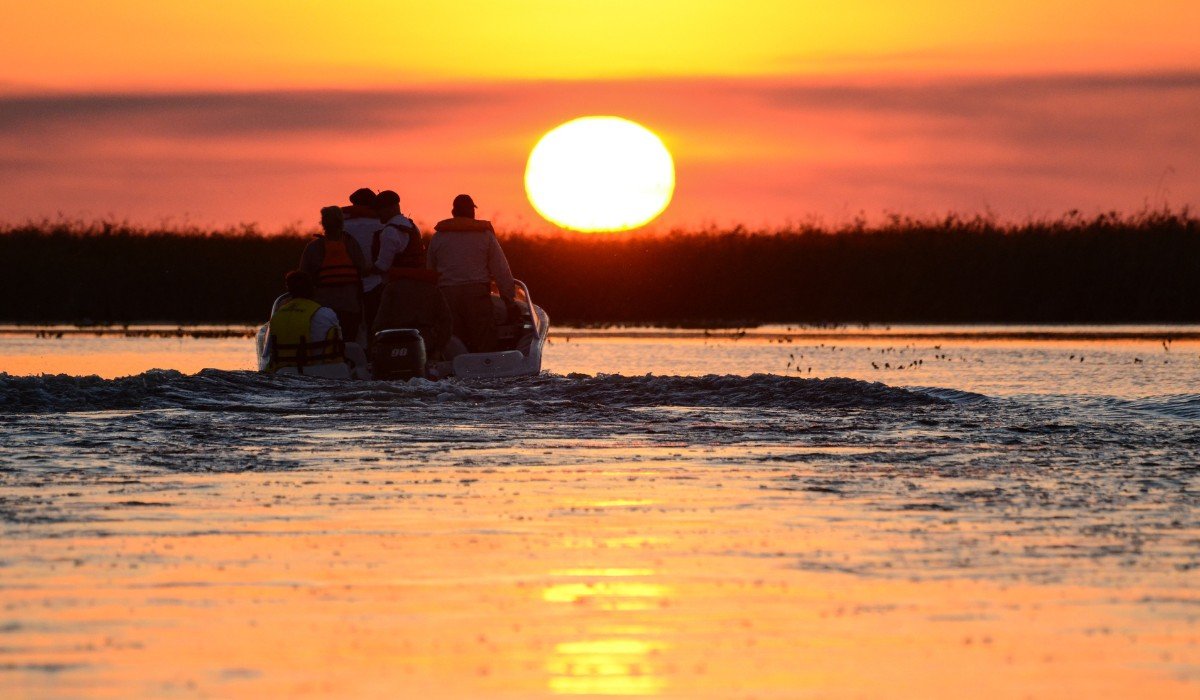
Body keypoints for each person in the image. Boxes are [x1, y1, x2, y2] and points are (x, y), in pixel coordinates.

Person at [427, 194, 516, 353]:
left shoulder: (438, 237)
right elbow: (501, 270)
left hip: (447, 297)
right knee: (484, 345)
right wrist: (509, 300)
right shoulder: (485, 235)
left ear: (453, 212)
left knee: (453, 343)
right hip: (477, 297)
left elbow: (430, 272)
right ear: (472, 212)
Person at [299, 206, 368, 342]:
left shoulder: (313, 247)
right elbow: (363, 268)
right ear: (341, 222)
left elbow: (303, 276)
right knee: (349, 342)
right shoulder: (351, 243)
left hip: (323, 307)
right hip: (350, 306)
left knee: (326, 342)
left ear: (323, 224)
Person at [262, 270, 344, 372]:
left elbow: (268, 352)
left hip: (284, 372)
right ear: (312, 289)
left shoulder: (276, 317)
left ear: (290, 291)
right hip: (324, 372)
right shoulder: (327, 314)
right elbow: (339, 342)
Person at [341, 187, 386, 330]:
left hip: (348, 284)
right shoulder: (383, 225)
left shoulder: (341, 227)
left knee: (352, 328)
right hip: (377, 283)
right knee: (375, 327)